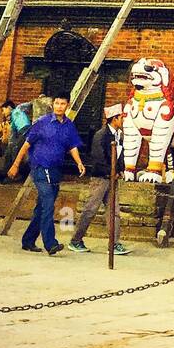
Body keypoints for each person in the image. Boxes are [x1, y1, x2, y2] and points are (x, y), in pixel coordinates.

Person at [8, 94, 86, 255]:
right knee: (49, 202)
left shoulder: (69, 126)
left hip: (56, 170)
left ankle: (28, 240)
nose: (59, 106)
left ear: (67, 105)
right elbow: (26, 145)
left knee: (42, 207)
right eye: (56, 103)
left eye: (62, 103)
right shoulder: (42, 123)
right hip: (40, 168)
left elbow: (72, 146)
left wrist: (79, 162)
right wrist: (15, 165)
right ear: (52, 104)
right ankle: (51, 243)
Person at [70, 105, 130, 255]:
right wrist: (110, 172)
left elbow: (120, 155)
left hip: (112, 178)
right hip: (100, 178)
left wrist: (120, 170)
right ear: (114, 119)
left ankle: (114, 243)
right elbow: (98, 158)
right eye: (121, 117)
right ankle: (76, 240)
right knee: (90, 209)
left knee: (114, 211)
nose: (122, 120)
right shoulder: (101, 135)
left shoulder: (119, 135)